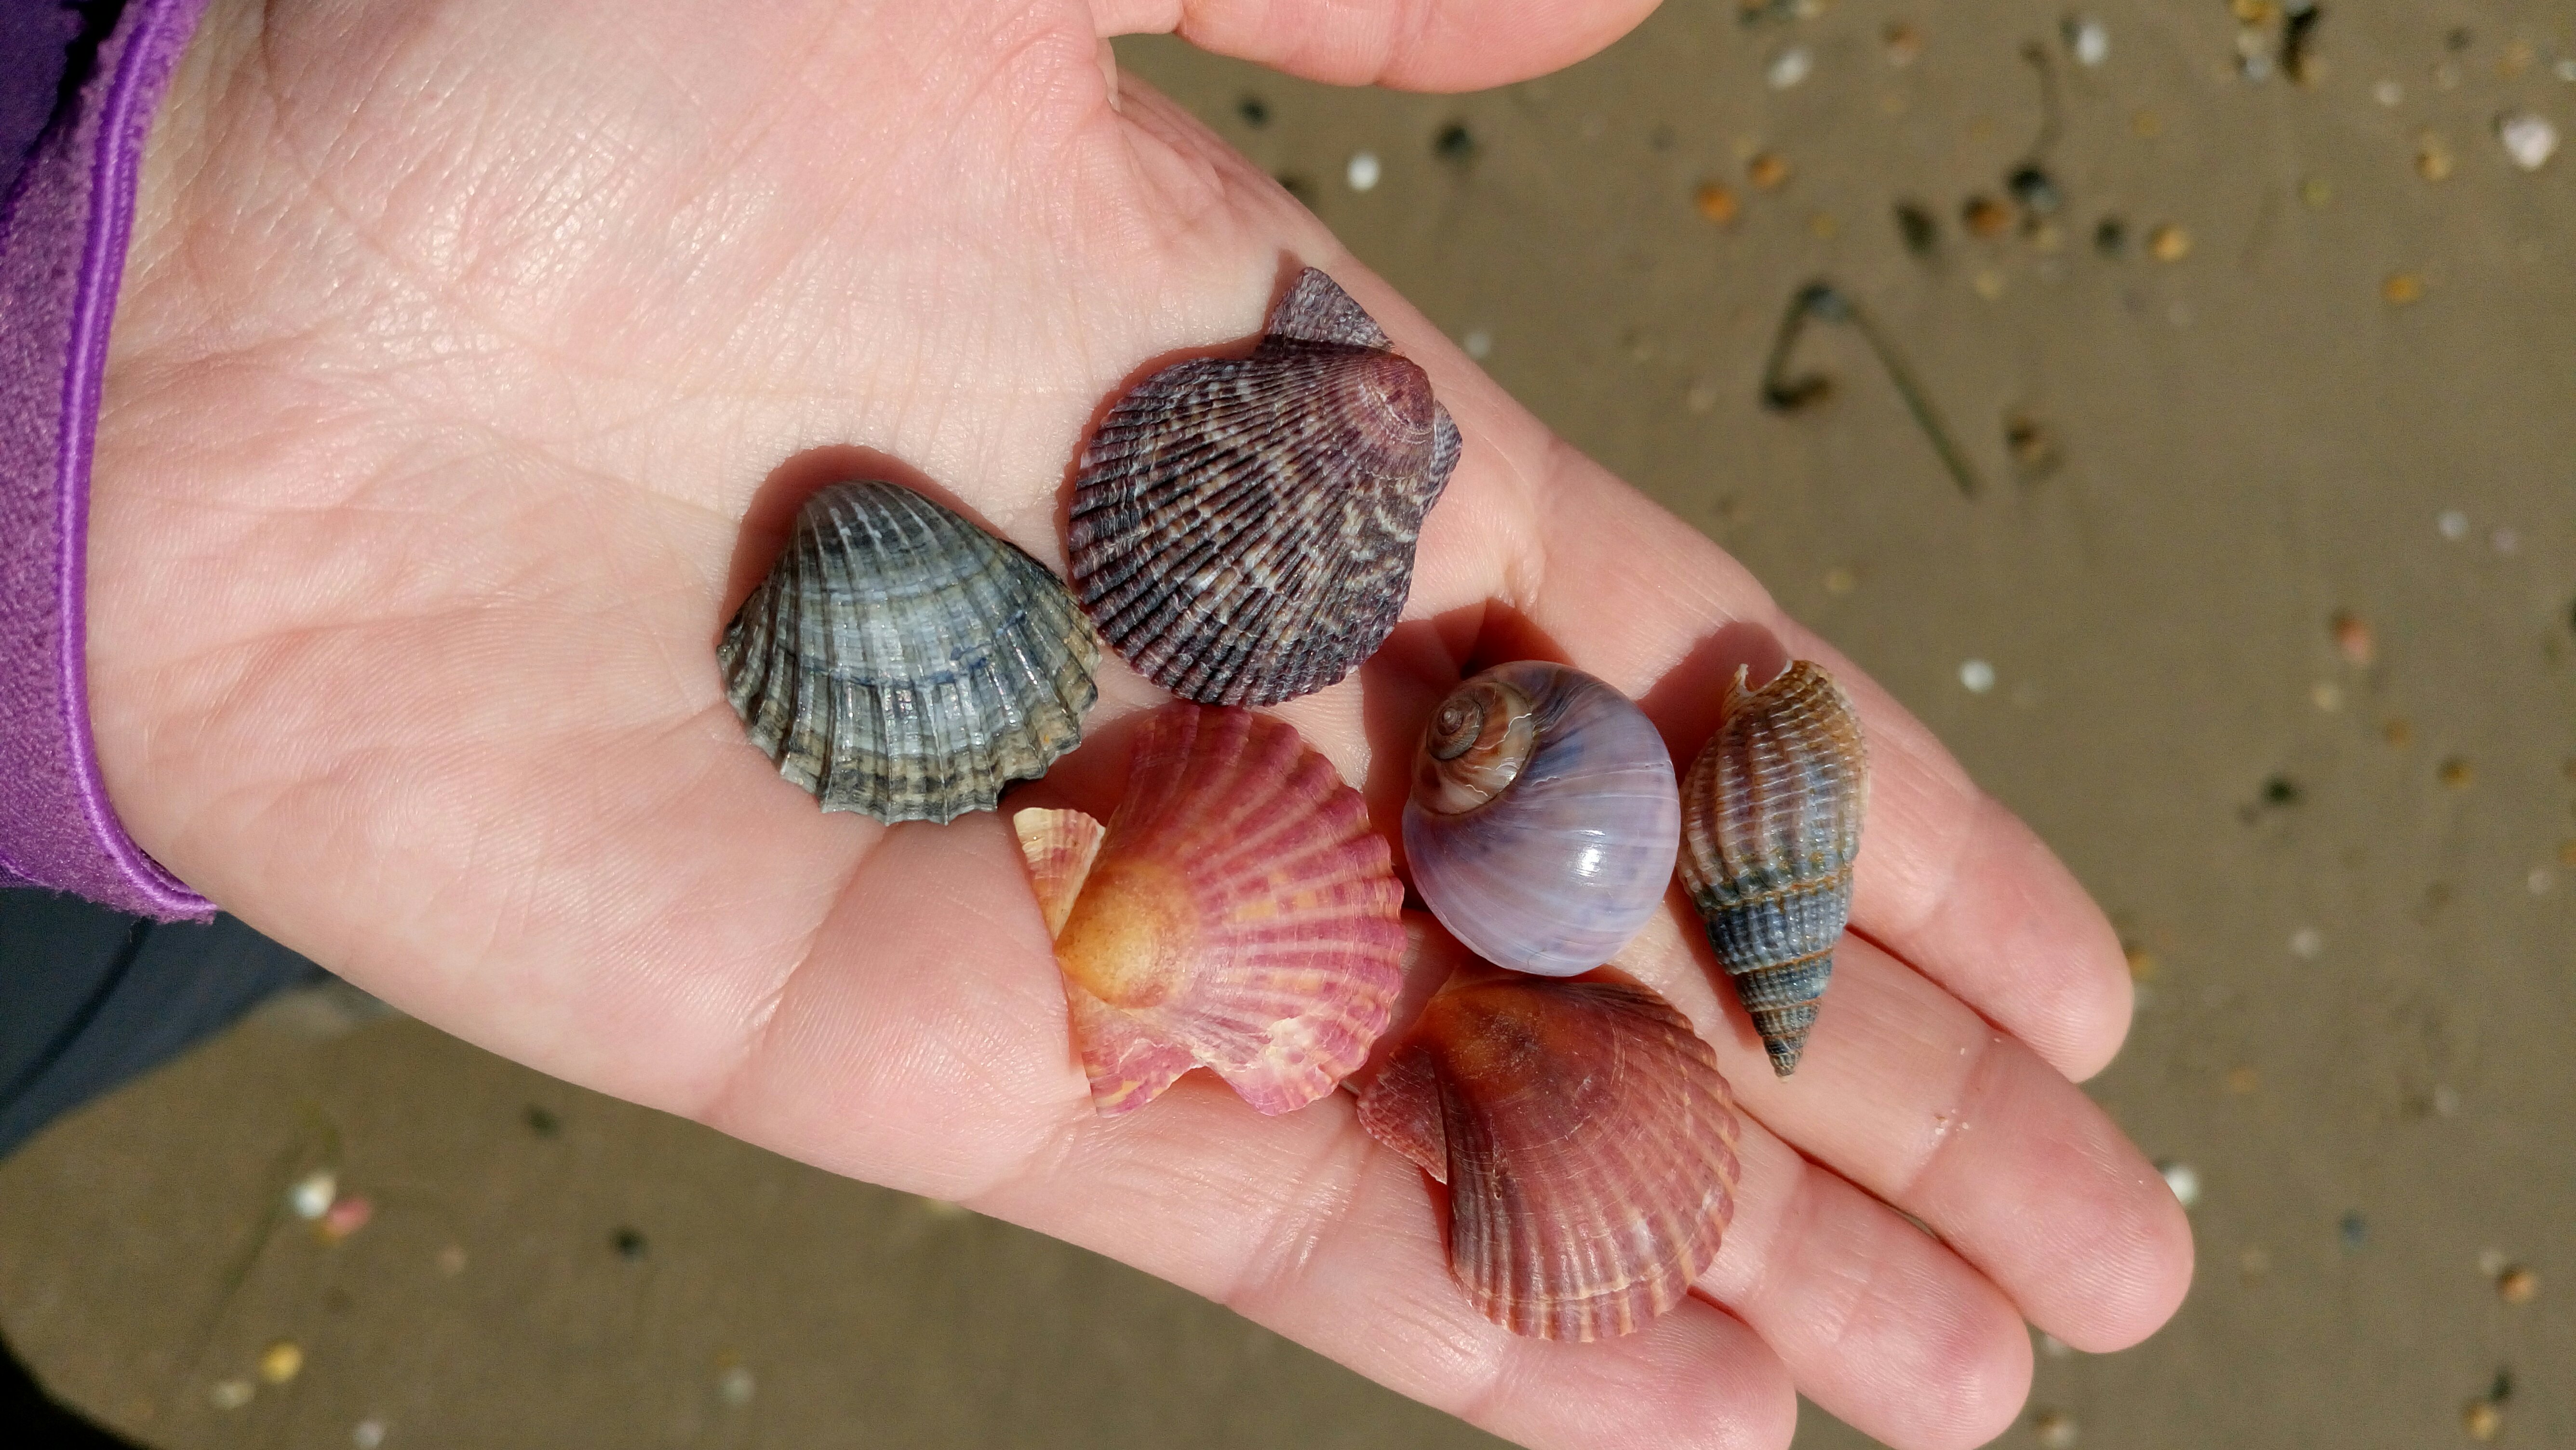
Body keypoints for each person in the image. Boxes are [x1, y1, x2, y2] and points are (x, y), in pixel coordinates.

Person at [2, 2, 2192, 1446]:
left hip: (151, 667)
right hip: (177, 668)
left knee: (262, 902)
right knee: (244, 918)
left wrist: (127, 307)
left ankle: (243, 931)